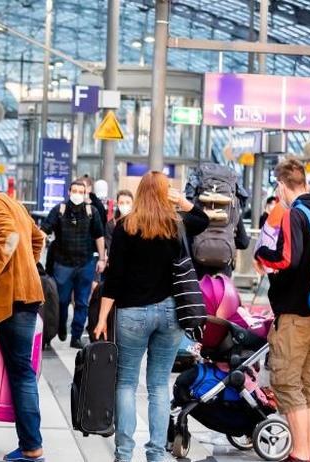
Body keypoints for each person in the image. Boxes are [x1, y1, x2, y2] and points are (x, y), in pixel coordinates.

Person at [94, 172, 208, 462]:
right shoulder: (175, 225)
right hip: (171, 314)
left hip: (132, 314)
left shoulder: (124, 226)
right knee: (158, 385)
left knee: (126, 383)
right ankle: (156, 454)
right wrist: (181, 200)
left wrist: (101, 318)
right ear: (163, 193)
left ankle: (124, 454)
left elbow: (114, 277)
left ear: (140, 192)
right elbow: (202, 220)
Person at [254, 158, 310, 462]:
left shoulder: (294, 215)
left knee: (287, 383)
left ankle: (299, 453)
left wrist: (263, 253)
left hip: (294, 316)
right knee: (308, 386)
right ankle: (308, 451)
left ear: (281, 185)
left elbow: (287, 258)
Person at [0, 170, 46, 462]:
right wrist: (25, 267)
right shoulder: (13, 203)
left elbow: (7, 237)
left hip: (8, 300)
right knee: (23, 373)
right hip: (28, 294)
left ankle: (32, 447)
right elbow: (37, 238)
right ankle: (31, 446)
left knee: (20, 374)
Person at [40, 180, 106, 348]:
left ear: (85, 194)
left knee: (82, 302)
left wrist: (102, 259)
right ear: (69, 192)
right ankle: (61, 325)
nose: (77, 194)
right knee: (61, 301)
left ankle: (76, 336)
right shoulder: (59, 210)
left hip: (85, 263)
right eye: (74, 190)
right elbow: (43, 231)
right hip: (63, 264)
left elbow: (99, 236)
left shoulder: (92, 212)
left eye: (80, 191)